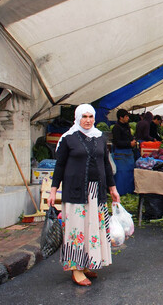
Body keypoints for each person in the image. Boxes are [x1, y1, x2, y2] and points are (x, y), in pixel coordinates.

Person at [48, 104, 120, 287]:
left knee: (93, 230)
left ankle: (88, 263)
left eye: (90, 116)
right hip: (75, 191)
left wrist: (112, 188)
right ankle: (76, 269)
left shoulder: (100, 138)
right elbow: (60, 166)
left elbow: (106, 164)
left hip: (97, 192)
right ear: (77, 117)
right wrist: (53, 190)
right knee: (77, 230)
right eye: (84, 116)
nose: (87, 120)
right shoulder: (68, 139)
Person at [111, 109, 136, 195]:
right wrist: (129, 143)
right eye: (126, 116)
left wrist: (133, 140)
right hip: (120, 155)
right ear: (121, 117)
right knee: (121, 174)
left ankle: (129, 192)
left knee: (129, 173)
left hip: (128, 154)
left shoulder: (127, 126)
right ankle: (120, 193)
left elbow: (129, 136)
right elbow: (117, 142)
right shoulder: (116, 128)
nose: (128, 118)